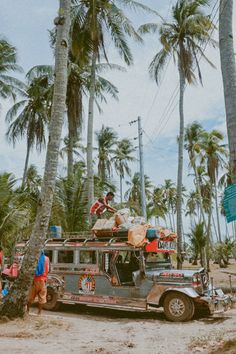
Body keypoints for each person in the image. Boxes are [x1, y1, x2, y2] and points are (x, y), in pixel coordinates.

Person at [27, 251, 50, 315]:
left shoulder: (35, 258)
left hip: (35, 280)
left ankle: (27, 311)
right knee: (42, 297)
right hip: (43, 281)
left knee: (30, 296)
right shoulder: (47, 259)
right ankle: (39, 313)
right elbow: (48, 270)